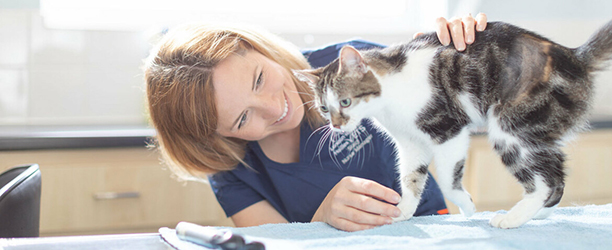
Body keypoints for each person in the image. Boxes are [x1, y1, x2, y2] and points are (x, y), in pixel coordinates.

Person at [144, 14, 487, 232]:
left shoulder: (352, 65)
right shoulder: (232, 171)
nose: (273, 107)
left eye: (260, 79)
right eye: (243, 117)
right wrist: (319, 223)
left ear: (259, 49)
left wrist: (458, 53)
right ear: (216, 137)